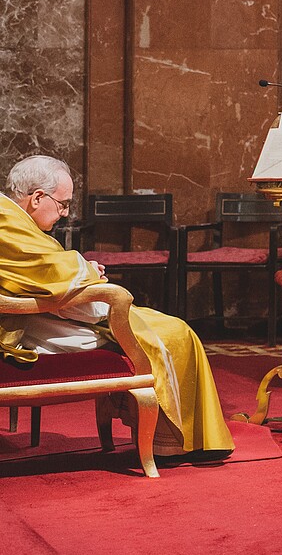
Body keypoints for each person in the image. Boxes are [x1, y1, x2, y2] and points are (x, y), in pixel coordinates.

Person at [0, 155, 233, 458]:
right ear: (38, 197)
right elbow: (47, 271)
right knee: (175, 333)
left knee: (168, 328)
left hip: (45, 313)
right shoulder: (7, 222)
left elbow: (43, 268)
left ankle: (180, 435)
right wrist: (89, 274)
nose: (66, 213)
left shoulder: (13, 217)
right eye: (63, 204)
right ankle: (175, 443)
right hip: (29, 326)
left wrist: (82, 270)